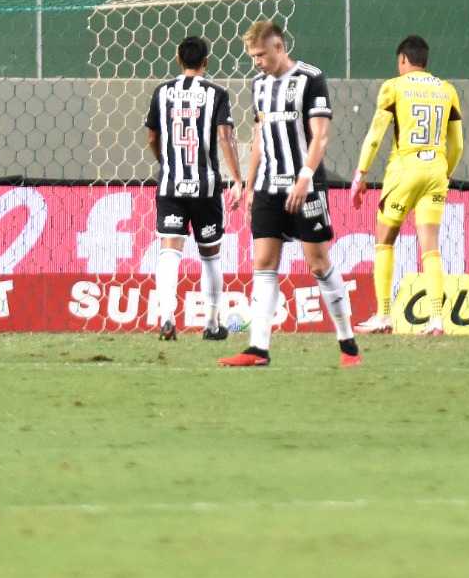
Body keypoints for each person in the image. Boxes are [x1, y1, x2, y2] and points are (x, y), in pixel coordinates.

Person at [219, 21, 360, 368]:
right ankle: (258, 349)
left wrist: (304, 177)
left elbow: (321, 135)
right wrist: (249, 185)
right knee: (264, 264)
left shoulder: (310, 78)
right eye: (252, 56)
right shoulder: (259, 84)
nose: (257, 62)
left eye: (261, 54)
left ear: (279, 47)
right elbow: (260, 136)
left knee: (318, 265)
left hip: (305, 188)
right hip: (268, 187)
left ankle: (348, 345)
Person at [347, 35, 463, 335]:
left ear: (403, 60)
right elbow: (458, 145)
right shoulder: (447, 90)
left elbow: (375, 136)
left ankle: (384, 315)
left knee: (384, 240)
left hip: (403, 171)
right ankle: (436, 320)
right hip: (436, 171)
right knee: (430, 248)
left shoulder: (393, 87)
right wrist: (445, 172)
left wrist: (360, 175)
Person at [145, 35, 244, 341]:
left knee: (169, 251)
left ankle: (165, 319)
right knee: (210, 254)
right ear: (206, 62)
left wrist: (168, 162)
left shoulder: (162, 92)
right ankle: (212, 324)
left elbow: (151, 137)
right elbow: (225, 137)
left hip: (172, 186)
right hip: (206, 188)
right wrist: (238, 181)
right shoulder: (217, 93)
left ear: (178, 60)